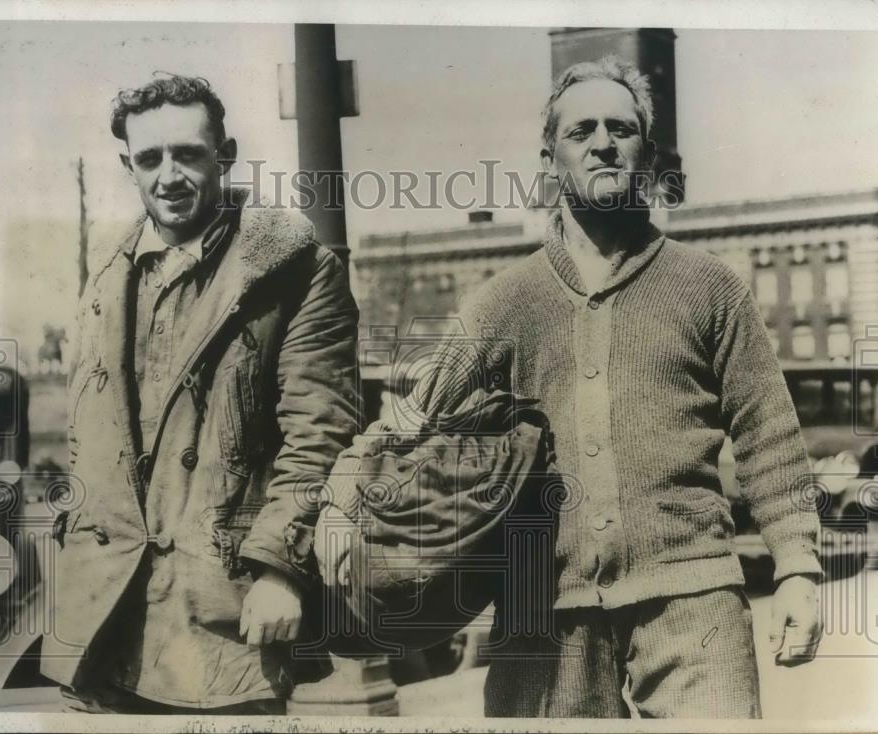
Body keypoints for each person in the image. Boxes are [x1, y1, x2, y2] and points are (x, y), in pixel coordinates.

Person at [317, 55, 822, 719]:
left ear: (648, 152)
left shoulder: (711, 288)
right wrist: (335, 502)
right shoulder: (505, 301)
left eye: (621, 128)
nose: (603, 143)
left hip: (694, 596)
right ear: (550, 159)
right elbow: (409, 418)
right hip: (542, 608)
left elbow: (769, 436)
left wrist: (799, 571)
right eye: (581, 132)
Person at [41, 74, 360, 714]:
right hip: (103, 616)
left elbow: (317, 434)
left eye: (188, 153)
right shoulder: (108, 271)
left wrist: (280, 572)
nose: (170, 175)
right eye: (150, 158)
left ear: (226, 154)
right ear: (127, 166)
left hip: (225, 612)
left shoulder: (295, 270)